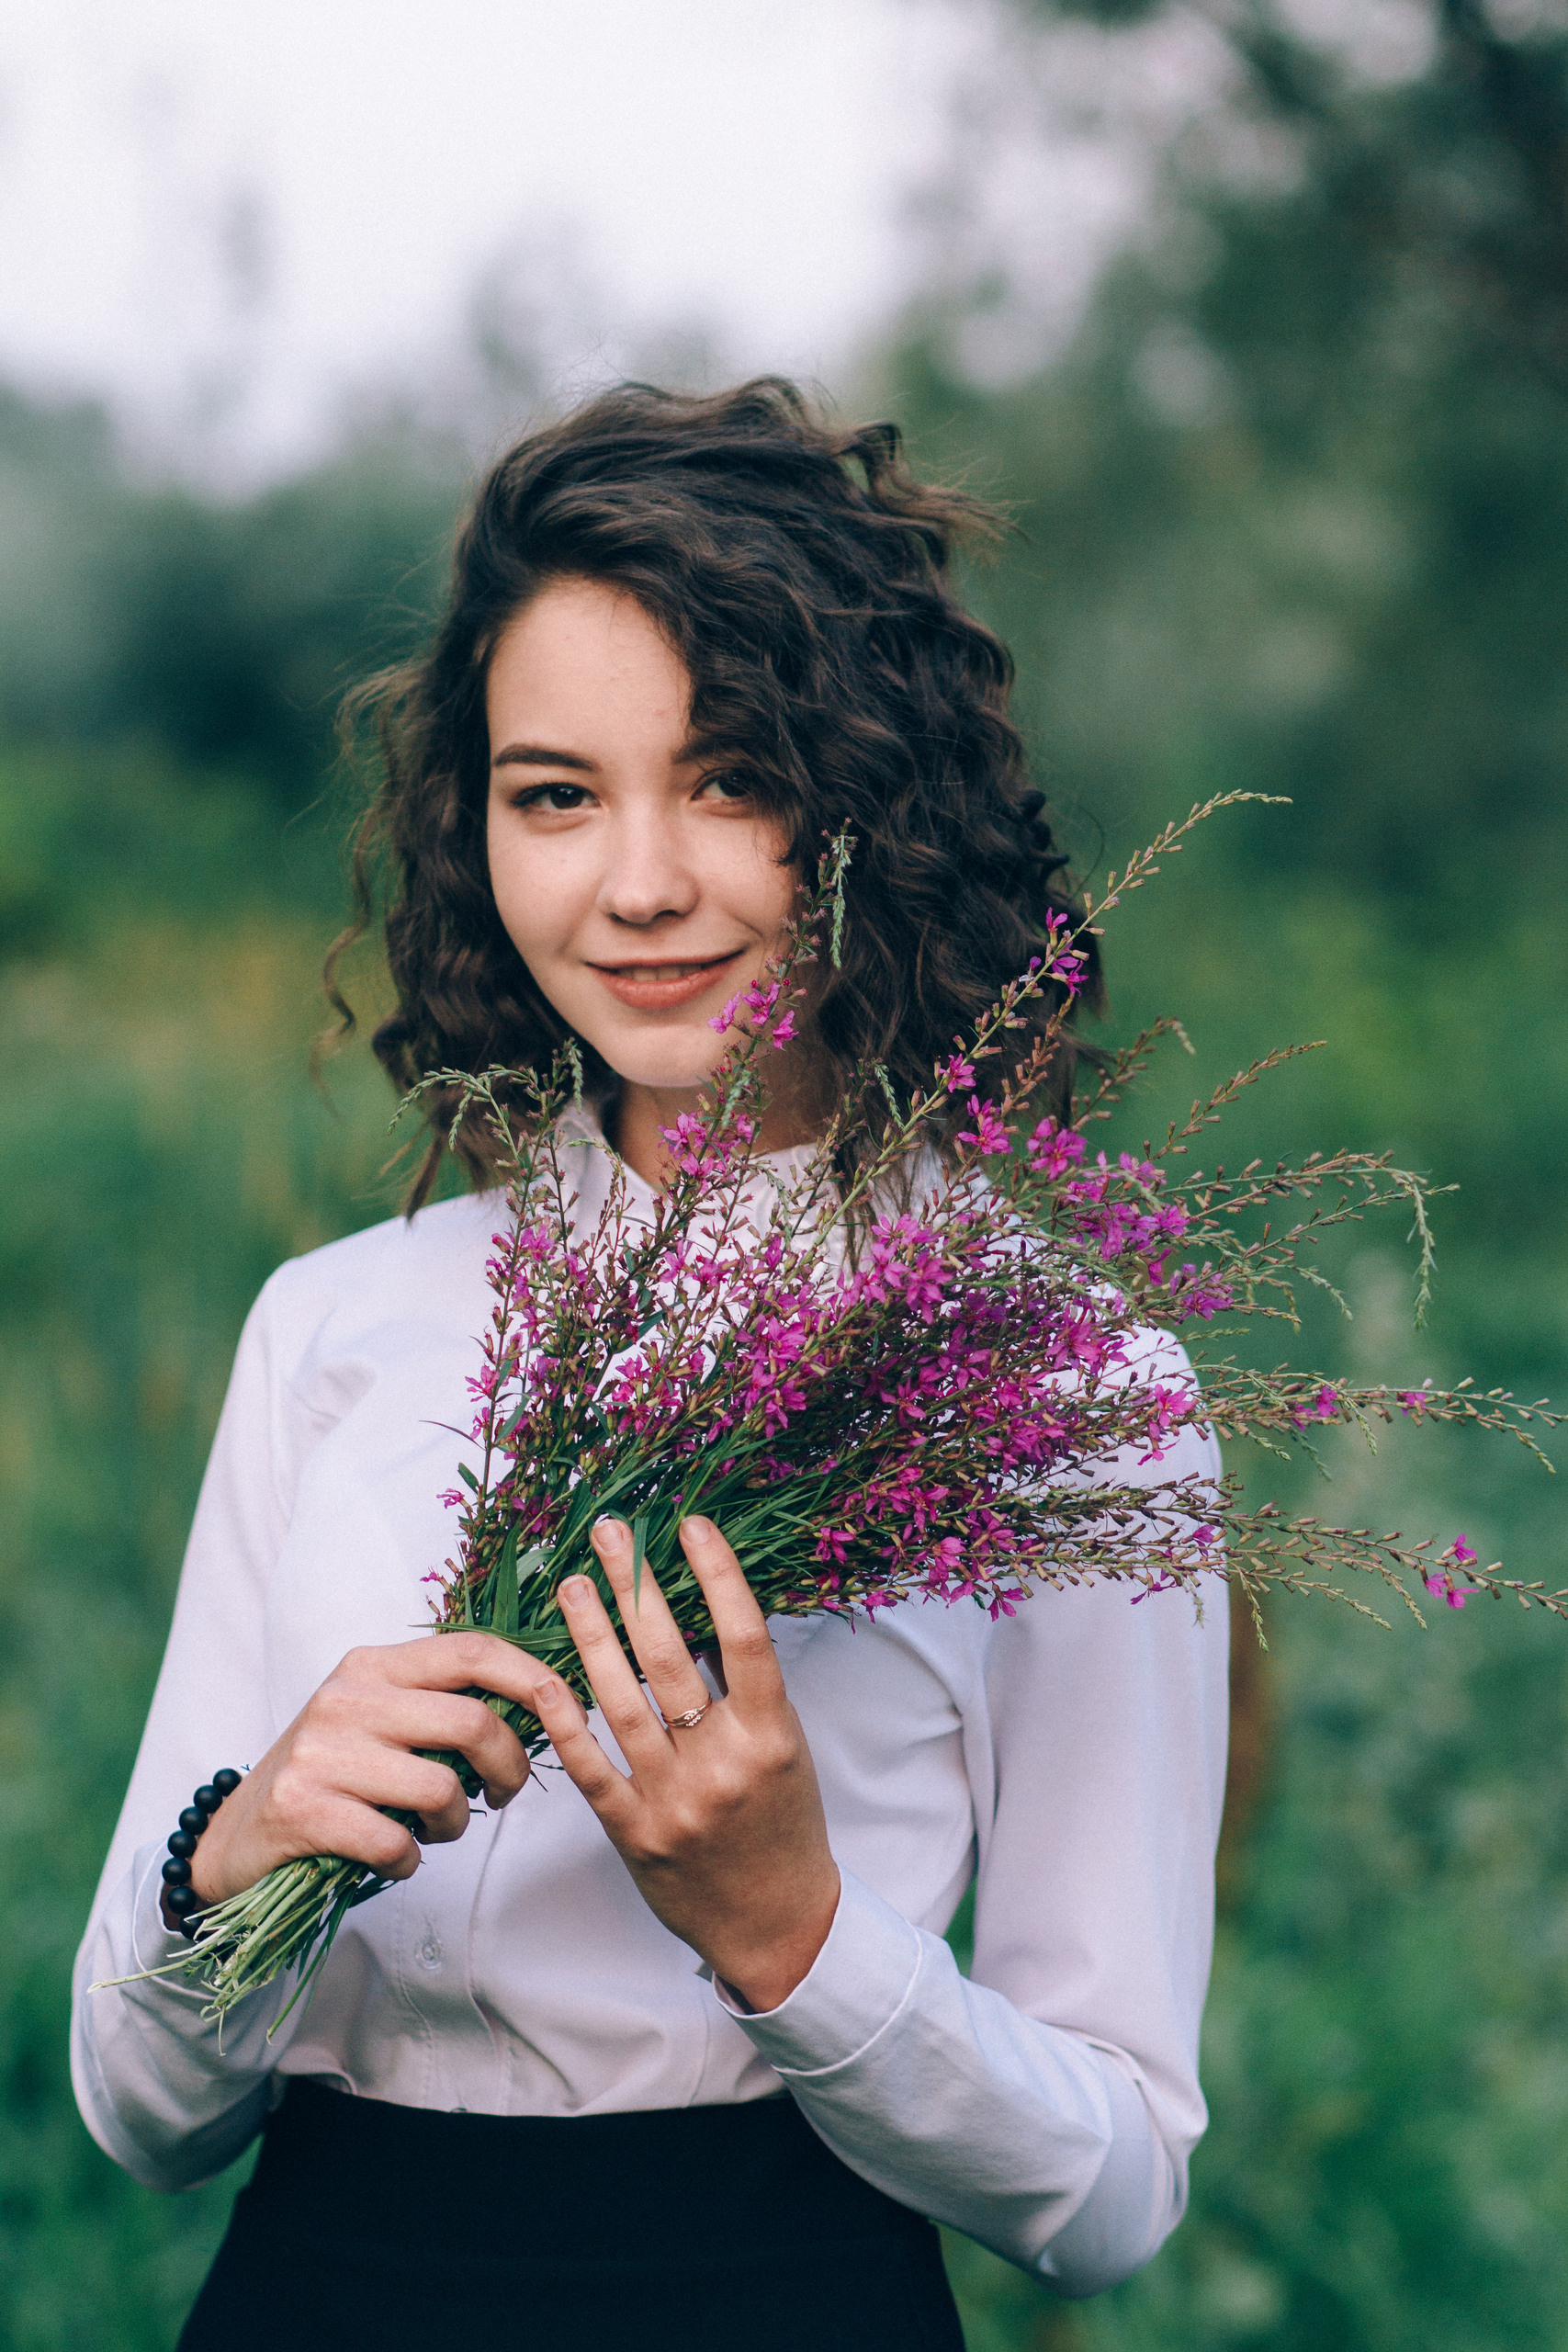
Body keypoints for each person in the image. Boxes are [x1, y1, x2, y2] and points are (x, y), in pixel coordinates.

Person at [71, 379, 1228, 2351]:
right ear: (477, 820)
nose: (634, 885)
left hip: (787, 2294)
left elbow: (1109, 2188)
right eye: (554, 791)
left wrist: (794, 1931)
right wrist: (239, 1846)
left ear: (873, 798)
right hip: (321, 2294)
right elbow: (142, 2111)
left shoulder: (1063, 1389)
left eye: (731, 779)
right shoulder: (338, 1325)